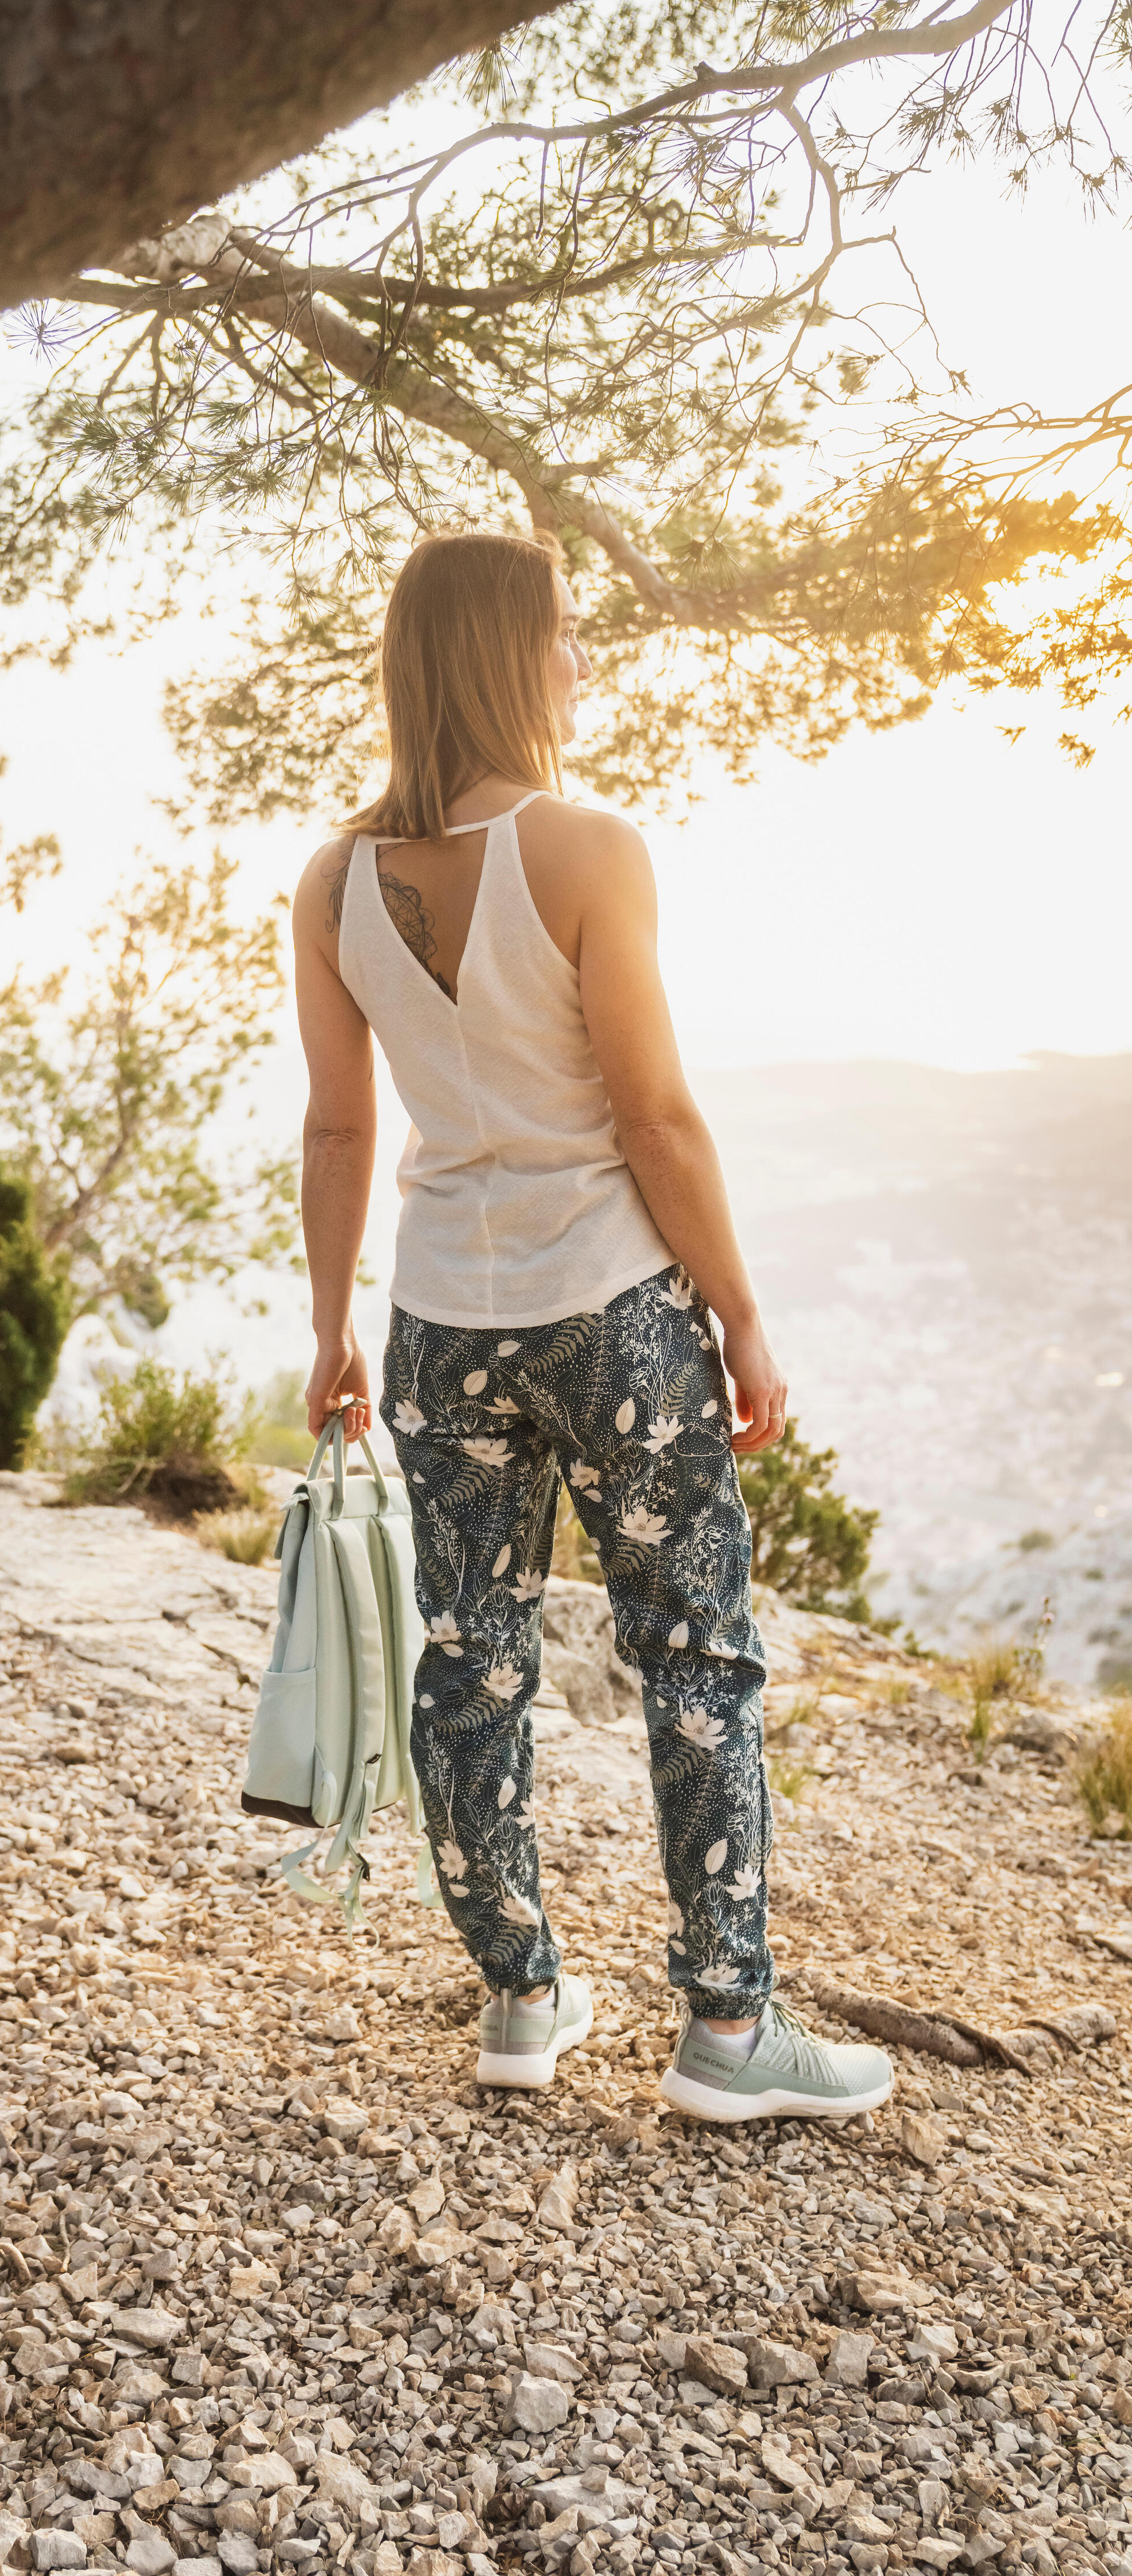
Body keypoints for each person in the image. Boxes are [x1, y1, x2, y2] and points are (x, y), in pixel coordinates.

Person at [290, 528, 891, 2124]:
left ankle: (520, 1991)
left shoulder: (332, 879)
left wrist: (330, 1324)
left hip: (437, 1324)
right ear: (503, 654)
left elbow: (339, 1133)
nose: (579, 663)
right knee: (695, 1652)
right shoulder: (586, 850)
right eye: (561, 636)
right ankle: (727, 2027)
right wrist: (745, 1314)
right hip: (614, 1315)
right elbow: (658, 1116)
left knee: (467, 1658)